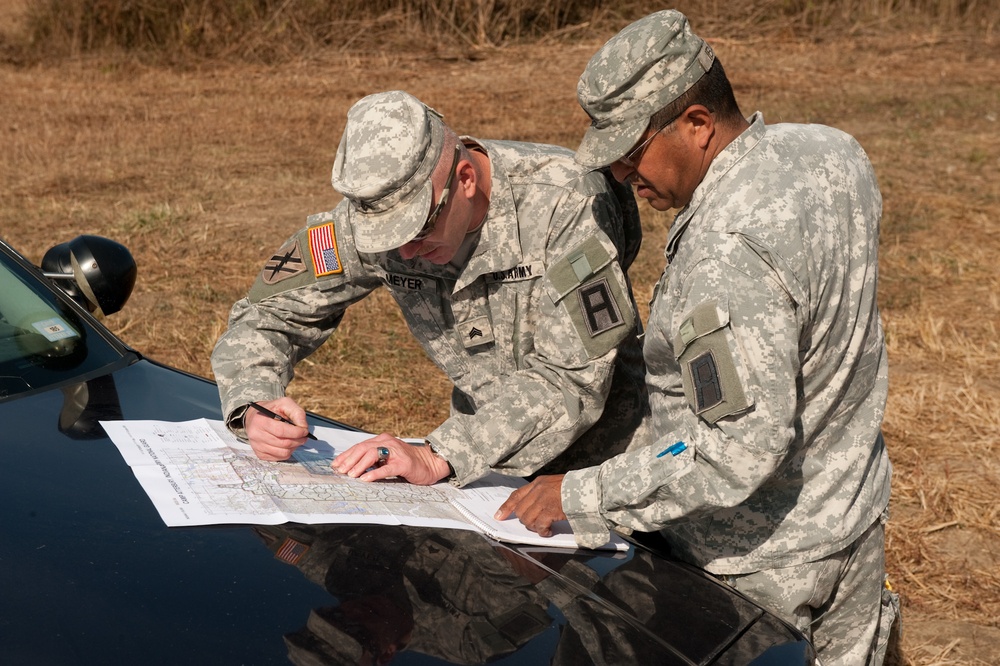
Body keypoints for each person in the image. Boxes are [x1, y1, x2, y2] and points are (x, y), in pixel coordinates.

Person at [497, 10, 898, 665]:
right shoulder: (831, 151)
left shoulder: (722, 256)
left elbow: (729, 452)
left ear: (698, 124)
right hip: (852, 521)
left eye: (632, 153)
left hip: (759, 569)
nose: (623, 175)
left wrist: (580, 492)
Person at [211, 90, 648, 488]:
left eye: (418, 228)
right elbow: (264, 316)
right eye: (386, 237)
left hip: (608, 474)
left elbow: (570, 379)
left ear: (465, 179)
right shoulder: (366, 221)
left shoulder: (567, 200)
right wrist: (254, 402)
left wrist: (439, 453)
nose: (405, 249)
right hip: (485, 481)